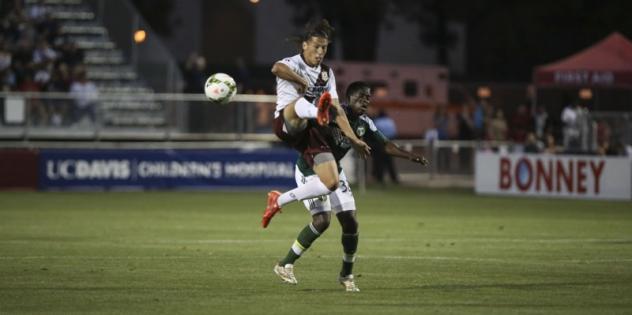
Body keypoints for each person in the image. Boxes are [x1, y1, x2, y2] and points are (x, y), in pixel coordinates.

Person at [268, 81, 429, 292]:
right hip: (310, 168)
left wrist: (410, 156)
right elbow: (311, 128)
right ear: (349, 98)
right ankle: (284, 264)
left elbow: (386, 145)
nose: (366, 101)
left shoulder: (364, 123)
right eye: (361, 97)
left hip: (335, 170)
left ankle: (346, 274)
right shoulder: (334, 112)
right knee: (322, 221)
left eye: (368, 97)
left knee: (350, 221)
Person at [262, 19, 370, 228]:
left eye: (324, 48)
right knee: (299, 104)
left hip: (311, 132)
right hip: (287, 123)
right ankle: (316, 111)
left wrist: (354, 139)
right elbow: (276, 68)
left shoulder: (326, 74)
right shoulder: (293, 63)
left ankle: (278, 200)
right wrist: (301, 81)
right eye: (316, 47)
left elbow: (338, 110)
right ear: (304, 45)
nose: (320, 52)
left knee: (331, 182)